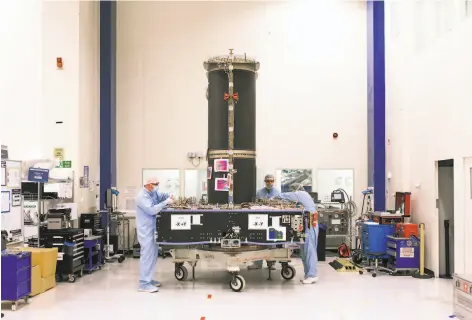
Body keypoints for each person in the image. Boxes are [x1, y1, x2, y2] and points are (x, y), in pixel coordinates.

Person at [136, 177, 174, 293]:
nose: (157, 186)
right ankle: (143, 283)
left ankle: (149, 279)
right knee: (147, 256)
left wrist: (169, 195)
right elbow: (152, 210)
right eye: (155, 184)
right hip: (146, 230)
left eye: (158, 184)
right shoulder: (141, 196)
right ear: (148, 185)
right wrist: (165, 203)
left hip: (153, 229)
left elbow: (161, 195)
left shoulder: (153, 193)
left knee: (153, 256)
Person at [275, 183, 318, 284]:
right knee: (304, 250)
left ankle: (312, 275)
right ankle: (308, 274)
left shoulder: (301, 194)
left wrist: (276, 196)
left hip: (310, 224)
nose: (293, 191)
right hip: (307, 223)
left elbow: (286, 195)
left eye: (293, 189)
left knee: (309, 250)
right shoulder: (303, 196)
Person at [248, 174, 281, 270]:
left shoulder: (277, 192)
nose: (269, 183)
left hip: (273, 219)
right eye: (267, 181)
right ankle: (257, 263)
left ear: (273, 181)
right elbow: (255, 204)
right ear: (265, 181)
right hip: (261, 219)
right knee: (259, 241)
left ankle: (271, 263)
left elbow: (280, 205)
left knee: (272, 241)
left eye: (271, 181)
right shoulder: (259, 192)